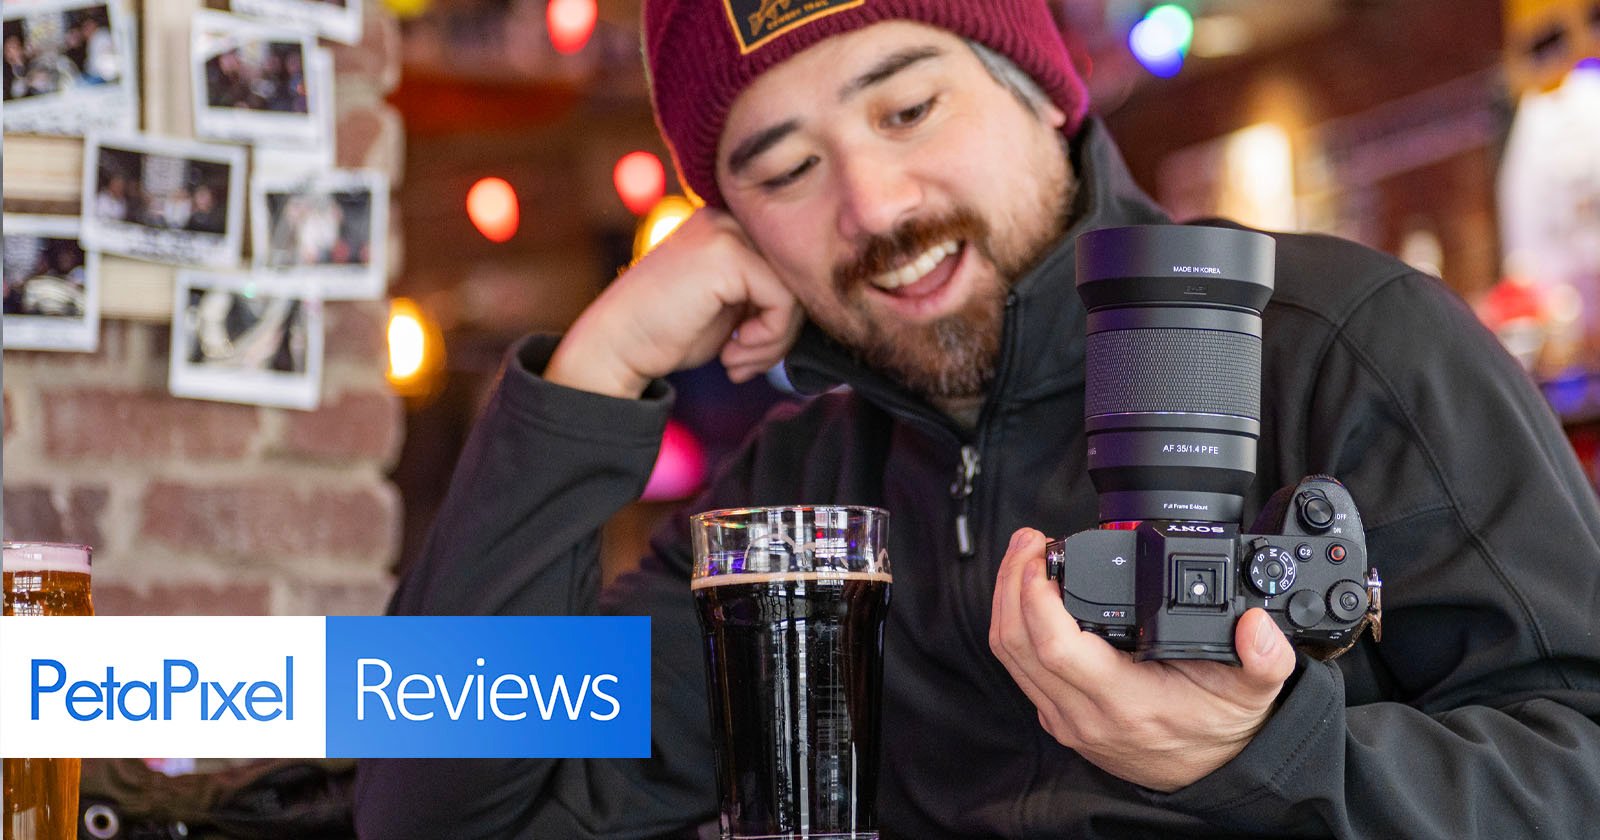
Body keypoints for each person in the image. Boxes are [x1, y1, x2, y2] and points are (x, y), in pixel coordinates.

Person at [354, 1, 1600, 837]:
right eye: (782, 171)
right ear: (725, 225)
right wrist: (598, 364)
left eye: (907, 110)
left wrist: (1268, 759)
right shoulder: (794, 497)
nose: (874, 204)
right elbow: (438, 798)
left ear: (1041, 96)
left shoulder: (1341, 341)